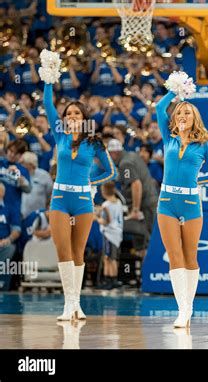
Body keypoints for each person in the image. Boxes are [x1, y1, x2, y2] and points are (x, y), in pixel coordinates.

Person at [44, 80, 117, 321]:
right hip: (60, 199)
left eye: (76, 112)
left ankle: (76, 304)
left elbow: (111, 172)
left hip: (84, 200)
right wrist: (47, 82)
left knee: (78, 251)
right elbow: (47, 106)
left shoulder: (94, 142)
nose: (71, 115)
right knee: (63, 249)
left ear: (84, 116)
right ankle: (69, 304)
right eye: (68, 113)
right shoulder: (60, 136)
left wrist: (91, 183)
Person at [155, 86, 208, 328]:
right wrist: (174, 91)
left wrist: (198, 180)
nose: (183, 116)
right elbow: (158, 107)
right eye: (180, 113)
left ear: (195, 119)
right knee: (174, 255)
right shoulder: (169, 138)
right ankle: (182, 309)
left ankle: (189, 305)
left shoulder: (204, 143)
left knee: (190, 255)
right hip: (166, 202)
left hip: (191, 203)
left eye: (188, 113)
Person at [107, 139, 158, 237]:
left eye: (109, 154)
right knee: (146, 235)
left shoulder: (125, 163)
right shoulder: (132, 155)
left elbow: (136, 184)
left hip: (145, 204)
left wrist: (135, 209)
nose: (108, 158)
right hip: (149, 200)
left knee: (147, 236)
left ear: (114, 153)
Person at [97, 182, 123, 290]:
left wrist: (96, 218)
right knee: (113, 258)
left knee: (108, 258)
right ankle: (113, 279)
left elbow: (106, 221)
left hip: (109, 233)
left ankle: (110, 279)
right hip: (117, 233)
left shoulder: (106, 205)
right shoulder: (118, 202)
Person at [20, 151, 53, 218]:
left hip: (38, 215)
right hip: (21, 215)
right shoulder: (19, 175)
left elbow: (51, 194)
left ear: (31, 164)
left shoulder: (44, 175)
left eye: (23, 163)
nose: (21, 165)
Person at [0, 182, 21, 291]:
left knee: (10, 248)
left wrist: (7, 240)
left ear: (3, 193)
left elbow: (17, 230)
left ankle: (3, 284)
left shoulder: (9, 208)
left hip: (4, 245)